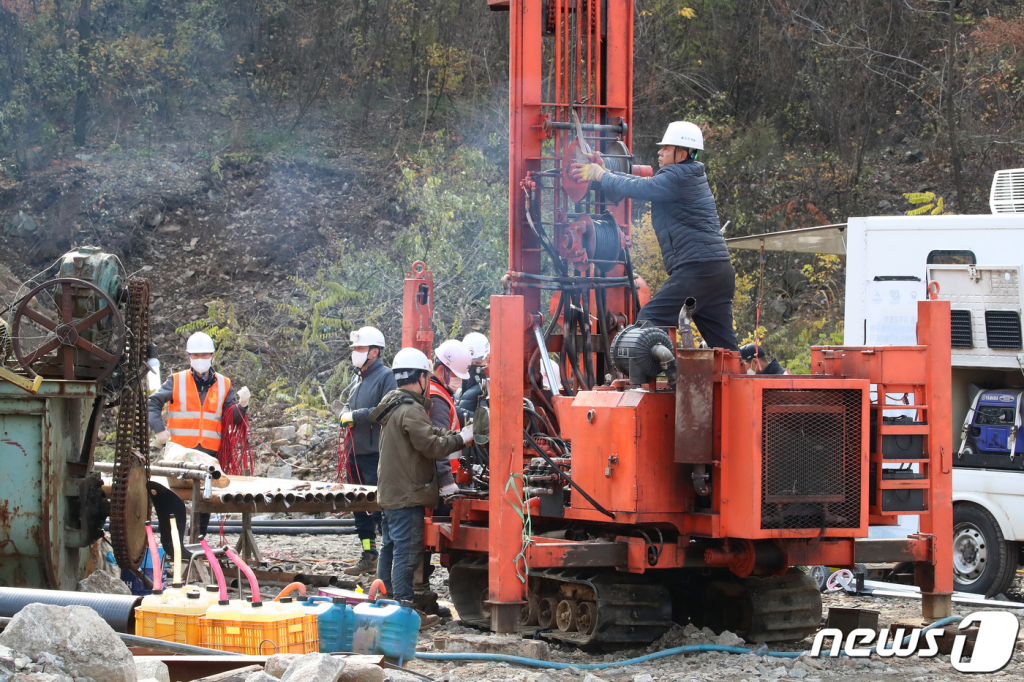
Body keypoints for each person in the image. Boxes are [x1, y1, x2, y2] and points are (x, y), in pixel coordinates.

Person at [572, 121, 738, 350]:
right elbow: (644, 183)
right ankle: (753, 374)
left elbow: (642, 188)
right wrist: (606, 173)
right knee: (726, 349)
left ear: (682, 154)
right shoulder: (688, 175)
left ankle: (663, 369)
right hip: (718, 272)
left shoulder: (677, 176)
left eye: (666, 148)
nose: (660, 152)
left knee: (649, 321)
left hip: (698, 270)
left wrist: (601, 176)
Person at [372, 348, 473, 627]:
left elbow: (430, 433)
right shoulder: (411, 409)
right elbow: (432, 446)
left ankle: (383, 602)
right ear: (421, 377)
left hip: (392, 494)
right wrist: (461, 439)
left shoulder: (394, 405)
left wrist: (455, 434)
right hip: (408, 495)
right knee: (406, 554)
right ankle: (404, 612)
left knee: (390, 548)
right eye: (426, 377)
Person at [338, 326, 397, 577]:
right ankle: (368, 553)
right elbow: (350, 405)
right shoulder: (357, 378)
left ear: (374, 351)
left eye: (360, 348)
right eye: (355, 348)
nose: (356, 352)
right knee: (358, 505)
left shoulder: (386, 376)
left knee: (378, 505)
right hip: (354, 452)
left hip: (375, 455)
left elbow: (385, 409)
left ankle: (388, 560)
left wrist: (356, 416)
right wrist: (345, 414)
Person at [149, 331, 250, 456]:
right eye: (196, 355)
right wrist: (158, 429)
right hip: (179, 452)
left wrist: (242, 405)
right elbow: (152, 403)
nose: (200, 359)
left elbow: (231, 419)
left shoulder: (224, 383)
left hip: (212, 454)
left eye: (204, 355)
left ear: (212, 357)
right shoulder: (177, 380)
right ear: (189, 357)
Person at [428, 339, 473, 497]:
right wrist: (447, 482)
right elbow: (438, 442)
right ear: (442, 370)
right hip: (442, 479)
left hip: (440, 475)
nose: (459, 381)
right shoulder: (438, 399)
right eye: (456, 375)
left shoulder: (436, 391)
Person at [455, 332, 490, 420]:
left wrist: (457, 412)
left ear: (488, 359)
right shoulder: (458, 385)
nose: (473, 367)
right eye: (470, 363)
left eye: (478, 362)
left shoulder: (490, 389)